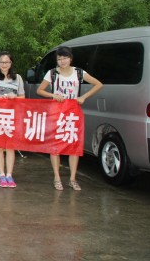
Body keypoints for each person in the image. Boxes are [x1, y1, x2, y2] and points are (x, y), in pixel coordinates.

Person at [37, 46, 103, 191]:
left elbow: (98, 84)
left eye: (65, 58)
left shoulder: (79, 72)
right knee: (55, 145)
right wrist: (53, 95)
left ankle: (72, 179)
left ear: (70, 59)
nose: (62, 61)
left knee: (73, 146)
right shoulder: (52, 73)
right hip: (56, 112)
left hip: (73, 112)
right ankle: (57, 177)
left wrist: (83, 97)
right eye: (59, 59)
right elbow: (40, 90)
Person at [0, 52, 24, 189]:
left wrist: (14, 98)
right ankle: (1, 174)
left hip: (12, 116)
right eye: (1, 62)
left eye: (7, 62)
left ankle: (9, 175)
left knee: (11, 147)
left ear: (11, 63)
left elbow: (22, 97)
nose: (4, 65)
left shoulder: (18, 78)